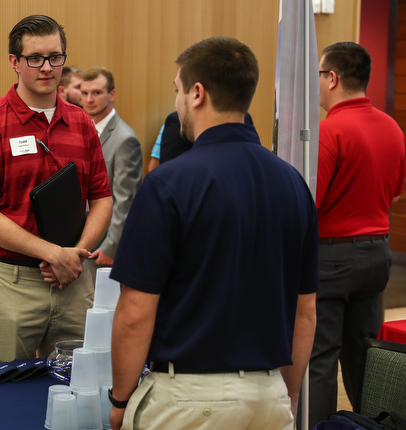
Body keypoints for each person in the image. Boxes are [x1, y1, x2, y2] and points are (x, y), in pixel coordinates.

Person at [108, 36, 318, 430]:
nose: (177, 103)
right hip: (269, 395)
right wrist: (285, 396)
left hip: (188, 399)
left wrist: (120, 398)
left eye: (178, 91)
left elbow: (136, 311)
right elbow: (305, 310)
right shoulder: (293, 184)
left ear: (197, 93)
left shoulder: (167, 184)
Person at [0, 14, 112, 363]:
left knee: (79, 388)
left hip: (75, 279)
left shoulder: (82, 123)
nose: (47, 67)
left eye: (55, 57)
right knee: (2, 393)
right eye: (35, 58)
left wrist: (75, 254)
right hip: (11, 284)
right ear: (14, 62)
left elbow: (102, 198)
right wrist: (51, 253)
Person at [307, 42, 406, 428]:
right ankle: (370, 424)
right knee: (365, 356)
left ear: (331, 78)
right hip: (378, 255)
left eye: (319, 74)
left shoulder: (329, 130)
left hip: (331, 259)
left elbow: (309, 202)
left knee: (321, 359)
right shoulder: (392, 127)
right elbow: (395, 193)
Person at [80, 67, 143, 266]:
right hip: (82, 236)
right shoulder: (82, 130)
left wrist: (111, 247)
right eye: (84, 93)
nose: (89, 99)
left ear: (111, 94)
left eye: (96, 93)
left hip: (106, 242)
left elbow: (125, 200)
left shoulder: (125, 139)